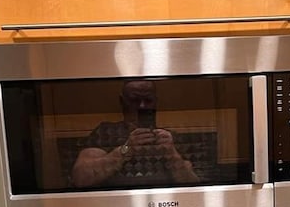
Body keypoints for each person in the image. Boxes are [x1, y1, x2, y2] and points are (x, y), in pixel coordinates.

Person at [71, 79, 199, 188]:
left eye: (148, 100)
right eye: (134, 100)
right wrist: (125, 151)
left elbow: (194, 185)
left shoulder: (169, 138)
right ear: (122, 101)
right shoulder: (105, 132)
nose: (142, 106)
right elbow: (80, 178)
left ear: (155, 102)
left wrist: (172, 154)